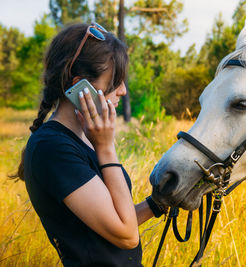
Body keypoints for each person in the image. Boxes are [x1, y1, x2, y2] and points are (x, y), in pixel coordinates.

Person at [12, 23, 166, 266]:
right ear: (81, 87)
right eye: (115, 81)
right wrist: (107, 148)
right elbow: (126, 236)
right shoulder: (52, 149)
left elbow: (114, 222)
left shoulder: (84, 139)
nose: (123, 91)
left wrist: (159, 203)